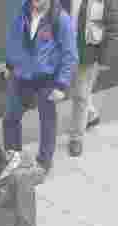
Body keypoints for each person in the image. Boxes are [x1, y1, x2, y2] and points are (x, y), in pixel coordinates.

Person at [3, 0, 79, 172]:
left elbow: (70, 55)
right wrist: (9, 64)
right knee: (10, 119)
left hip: (47, 79)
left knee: (47, 122)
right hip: (20, 76)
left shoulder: (60, 20)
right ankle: (13, 159)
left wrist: (61, 85)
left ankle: (44, 163)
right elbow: (13, 38)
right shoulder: (21, 11)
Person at [64, 0, 118, 155]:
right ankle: (91, 114)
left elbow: (113, 27)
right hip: (65, 48)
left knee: (80, 95)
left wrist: (105, 58)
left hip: (88, 52)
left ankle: (76, 138)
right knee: (76, 89)